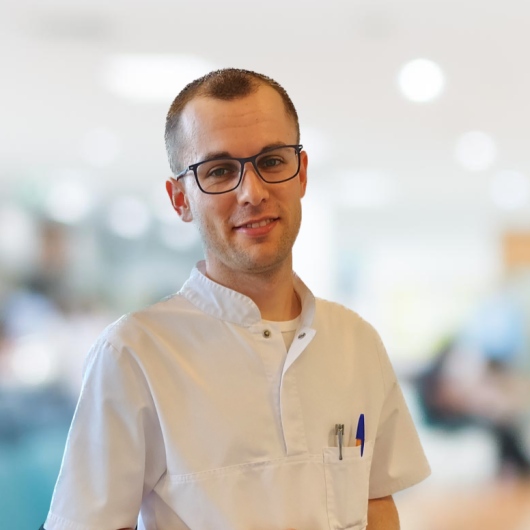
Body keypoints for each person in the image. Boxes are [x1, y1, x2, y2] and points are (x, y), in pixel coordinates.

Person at [43, 68, 431, 530]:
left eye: (272, 161)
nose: (252, 192)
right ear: (180, 199)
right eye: (220, 171)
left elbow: (376, 503)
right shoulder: (132, 355)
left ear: (302, 173)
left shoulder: (356, 342)